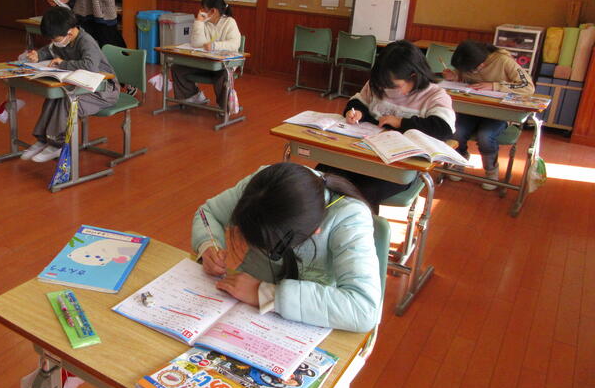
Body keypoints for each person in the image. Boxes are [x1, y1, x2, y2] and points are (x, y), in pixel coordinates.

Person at [193, 162, 381, 333]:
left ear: (315, 230)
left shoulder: (350, 219)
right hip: (242, 300)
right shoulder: (264, 186)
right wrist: (208, 244)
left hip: (310, 314)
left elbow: (364, 309)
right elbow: (207, 214)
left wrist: (265, 294)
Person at [337, 40, 455, 211]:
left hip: (401, 166)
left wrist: (401, 122)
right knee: (324, 175)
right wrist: (358, 112)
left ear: (414, 76)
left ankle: (360, 225)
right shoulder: (378, 84)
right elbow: (358, 102)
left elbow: (443, 129)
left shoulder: (434, 95)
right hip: (364, 153)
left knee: (362, 192)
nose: (386, 90)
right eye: (382, 85)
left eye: (394, 86)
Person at [19, 6, 120, 163]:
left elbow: (90, 66)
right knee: (54, 98)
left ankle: (57, 144)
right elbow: (50, 50)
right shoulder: (64, 39)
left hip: (104, 91)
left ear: (70, 33)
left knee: (68, 102)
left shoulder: (86, 42)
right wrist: (38, 55)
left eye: (56, 39)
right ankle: (43, 140)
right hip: (82, 87)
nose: (54, 43)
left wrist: (62, 64)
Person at [443, 40, 535, 189]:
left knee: (485, 136)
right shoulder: (468, 62)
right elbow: (467, 79)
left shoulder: (504, 61)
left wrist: (495, 86)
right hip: (472, 110)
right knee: (457, 131)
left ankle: (491, 170)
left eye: (472, 70)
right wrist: (455, 77)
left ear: (481, 65)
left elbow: (528, 86)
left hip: (497, 113)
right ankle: (459, 160)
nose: (472, 72)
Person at [172, 0, 241, 106]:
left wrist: (214, 46)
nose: (201, 11)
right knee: (177, 68)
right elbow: (196, 43)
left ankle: (224, 107)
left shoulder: (229, 22)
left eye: (204, 8)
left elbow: (234, 44)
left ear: (213, 11)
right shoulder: (204, 22)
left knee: (223, 75)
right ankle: (194, 97)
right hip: (204, 62)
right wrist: (198, 22)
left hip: (223, 64)